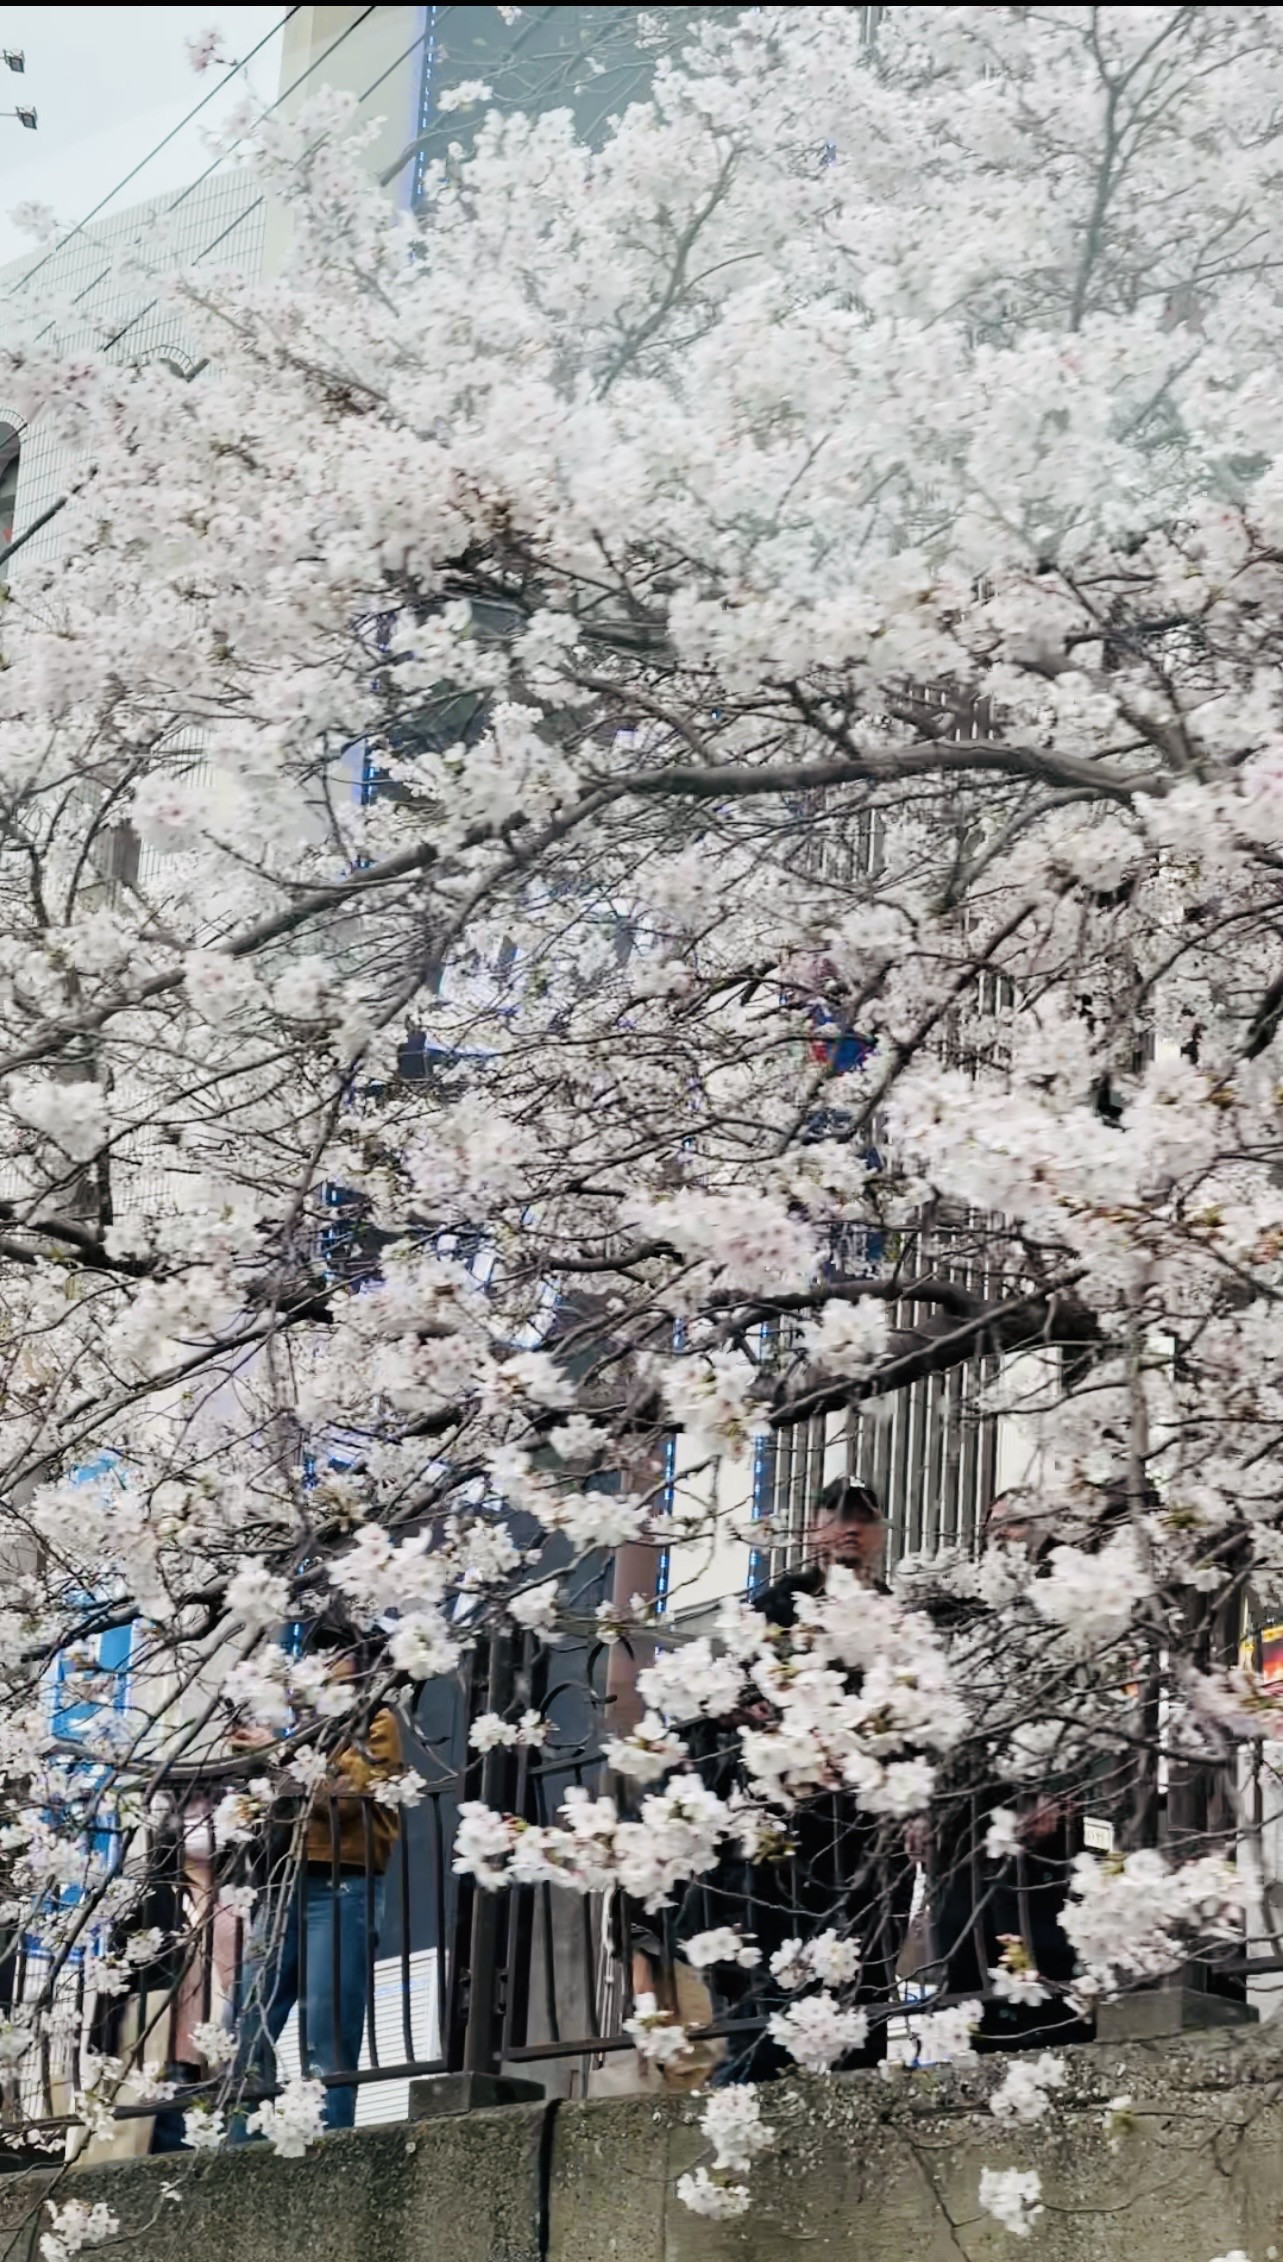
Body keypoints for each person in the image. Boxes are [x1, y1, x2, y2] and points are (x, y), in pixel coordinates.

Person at [630, 1478, 912, 2086]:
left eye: (863, 1518)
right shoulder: (775, 1608)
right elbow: (709, 1705)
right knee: (766, 1997)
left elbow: (917, 1727)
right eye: (835, 1516)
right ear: (813, 1529)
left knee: (860, 1984)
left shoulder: (899, 1623)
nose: (849, 1530)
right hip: (775, 1839)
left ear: (881, 1533)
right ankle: (739, 2100)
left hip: (863, 1835)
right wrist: (737, 1711)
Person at [228, 1621, 404, 2135]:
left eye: (340, 1651)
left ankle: (330, 2143)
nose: (327, 1660)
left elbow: (348, 1799)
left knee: (328, 2025)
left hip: (342, 1880)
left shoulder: (376, 1720)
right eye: (320, 1651)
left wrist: (279, 1754)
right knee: (248, 2016)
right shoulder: (302, 1725)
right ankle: (236, 2138)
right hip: (285, 1880)